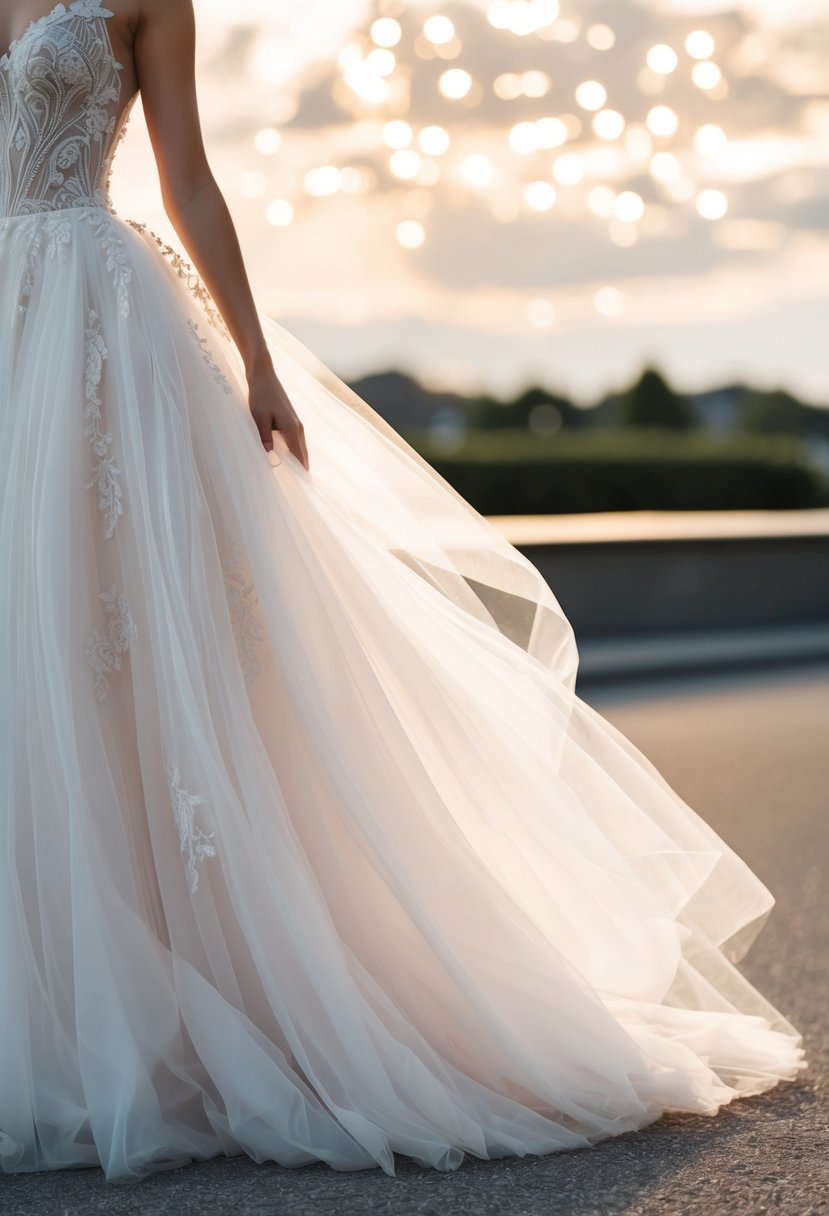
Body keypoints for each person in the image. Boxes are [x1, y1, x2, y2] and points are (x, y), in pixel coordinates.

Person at [0, 0, 806, 1184]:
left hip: (96, 330)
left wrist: (260, 363)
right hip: (13, 337)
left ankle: (181, 1006)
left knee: (126, 650)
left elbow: (193, 180)